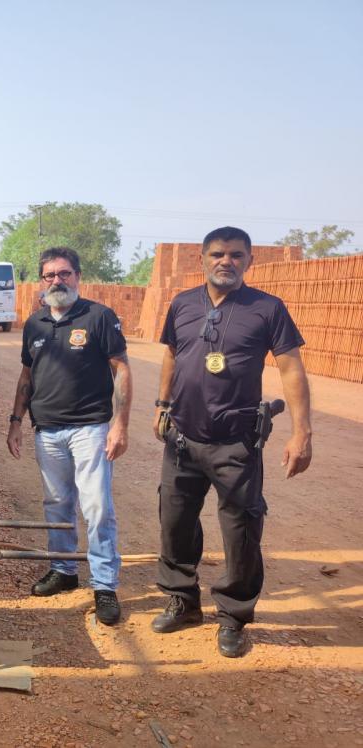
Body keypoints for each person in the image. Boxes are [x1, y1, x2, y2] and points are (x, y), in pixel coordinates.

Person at [152, 226, 312, 657]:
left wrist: (302, 432)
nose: (227, 261)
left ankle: (234, 616)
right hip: (182, 438)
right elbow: (171, 353)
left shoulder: (267, 309)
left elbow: (290, 368)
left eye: (237, 255)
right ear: (202, 260)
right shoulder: (183, 304)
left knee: (241, 530)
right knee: (175, 522)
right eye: (218, 254)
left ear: (249, 262)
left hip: (235, 443)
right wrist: (162, 404)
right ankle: (183, 601)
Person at [6, 247, 130, 625]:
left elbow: (121, 369)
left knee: (96, 507)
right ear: (42, 281)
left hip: (90, 428)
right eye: (49, 275)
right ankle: (64, 570)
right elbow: (27, 376)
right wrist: (15, 421)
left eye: (64, 274)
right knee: (56, 504)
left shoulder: (98, 317)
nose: (57, 281)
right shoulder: (36, 323)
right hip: (47, 431)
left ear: (77, 275)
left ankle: (105, 585)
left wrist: (120, 424)